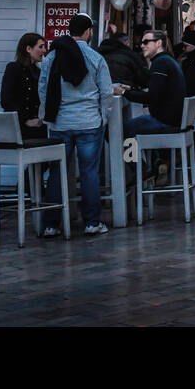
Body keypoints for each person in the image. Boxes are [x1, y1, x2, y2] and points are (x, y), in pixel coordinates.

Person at [38, 13, 115, 236]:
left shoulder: (52, 57)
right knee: (89, 172)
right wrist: (103, 117)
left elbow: (43, 89)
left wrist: (48, 117)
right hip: (89, 122)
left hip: (60, 124)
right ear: (89, 31)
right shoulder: (95, 58)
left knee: (56, 172)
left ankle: (51, 224)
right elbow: (106, 92)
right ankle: (92, 222)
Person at [121, 31, 187, 137]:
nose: (142, 46)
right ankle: (150, 153)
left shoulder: (161, 63)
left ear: (159, 43)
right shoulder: (168, 60)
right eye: (142, 43)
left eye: (146, 42)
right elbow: (158, 91)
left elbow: (151, 97)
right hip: (173, 120)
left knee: (116, 129)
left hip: (164, 122)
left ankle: (136, 153)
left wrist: (124, 92)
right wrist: (131, 89)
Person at [1, 33, 47, 140]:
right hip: (18, 128)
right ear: (28, 49)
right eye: (40, 47)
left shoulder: (38, 72)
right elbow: (6, 101)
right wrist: (26, 120)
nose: (44, 51)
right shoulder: (13, 68)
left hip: (34, 126)